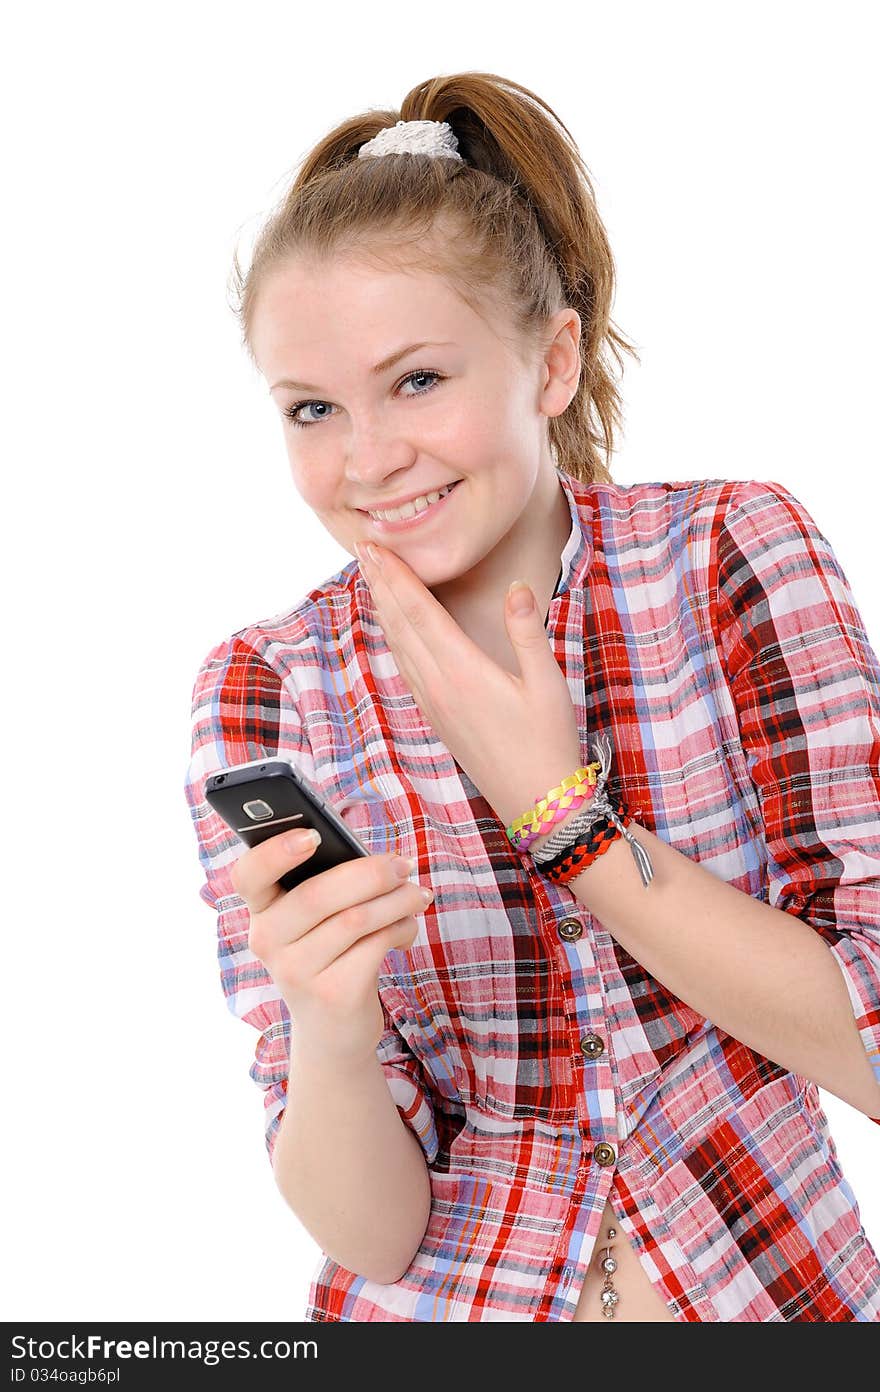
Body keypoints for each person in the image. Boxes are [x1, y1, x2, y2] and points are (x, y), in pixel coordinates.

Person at [182, 71, 880, 1322]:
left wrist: (565, 816)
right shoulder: (267, 689)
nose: (367, 460)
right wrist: (330, 1029)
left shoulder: (727, 557)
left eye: (416, 382)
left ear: (551, 360)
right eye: (311, 409)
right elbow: (375, 1237)